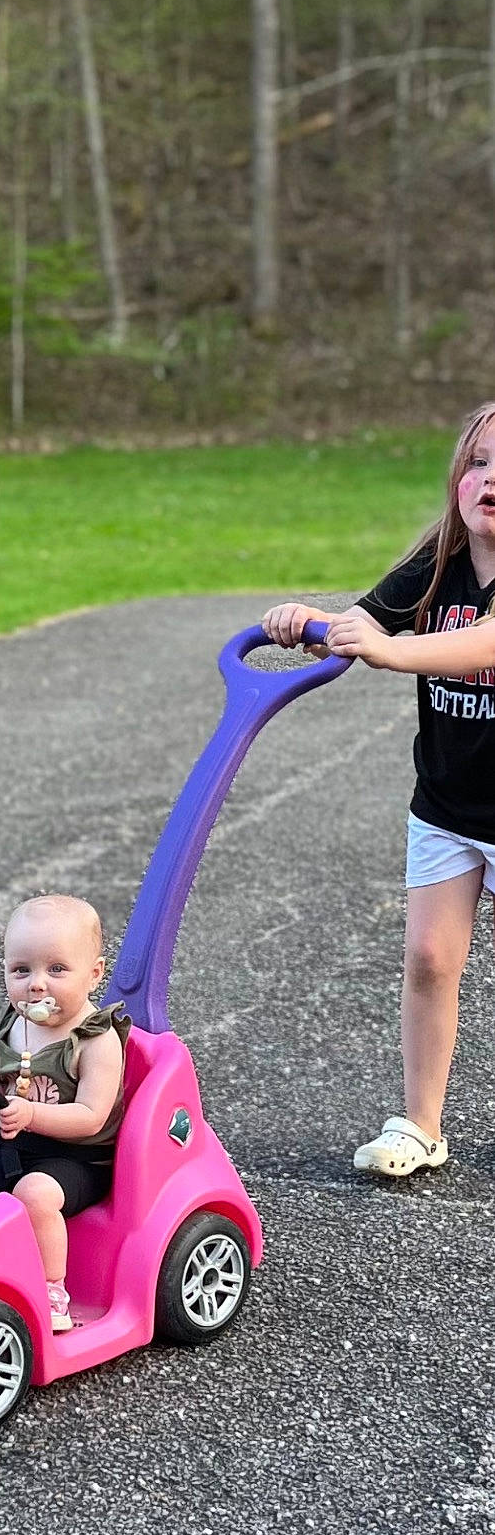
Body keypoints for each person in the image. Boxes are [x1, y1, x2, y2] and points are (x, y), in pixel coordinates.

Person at [262, 400, 495, 1179]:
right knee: (430, 958)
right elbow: (364, 620)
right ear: (458, 480)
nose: (490, 479)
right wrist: (312, 622)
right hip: (448, 805)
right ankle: (422, 1126)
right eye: (479, 463)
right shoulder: (436, 564)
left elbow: (481, 642)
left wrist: (397, 653)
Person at [0, 894, 129, 1331]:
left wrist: (31, 1114)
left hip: (74, 1158)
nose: (36, 984)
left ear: (93, 974)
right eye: (21, 970)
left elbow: (90, 1116)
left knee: (35, 1194)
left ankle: (52, 1291)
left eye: (56, 969)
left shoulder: (95, 1040)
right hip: (12, 1138)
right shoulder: (14, 1025)